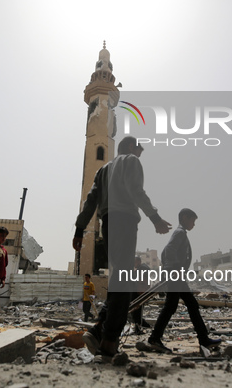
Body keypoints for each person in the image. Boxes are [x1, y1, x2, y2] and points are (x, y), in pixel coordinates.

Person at [74, 136, 171, 357]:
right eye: (139, 148)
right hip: (125, 220)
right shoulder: (131, 161)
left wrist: (79, 229)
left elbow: (91, 200)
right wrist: (155, 217)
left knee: (120, 278)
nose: (140, 153)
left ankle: (100, 330)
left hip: (107, 222)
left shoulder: (103, 170)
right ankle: (108, 340)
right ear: (130, 146)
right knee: (124, 281)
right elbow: (136, 191)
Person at [147, 209, 221, 353]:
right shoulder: (180, 232)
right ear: (185, 218)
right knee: (184, 305)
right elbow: (169, 250)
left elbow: (165, 251)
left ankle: (156, 337)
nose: (194, 224)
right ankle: (202, 339)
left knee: (177, 305)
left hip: (176, 275)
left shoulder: (180, 233)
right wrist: (172, 270)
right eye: (193, 220)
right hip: (176, 276)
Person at [131, 256, 151, 333]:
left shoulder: (143, 268)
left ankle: (138, 326)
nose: (134, 264)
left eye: (135, 262)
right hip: (138, 291)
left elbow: (142, 281)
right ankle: (140, 324)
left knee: (137, 309)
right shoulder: (142, 268)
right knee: (136, 309)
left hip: (139, 291)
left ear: (139, 261)